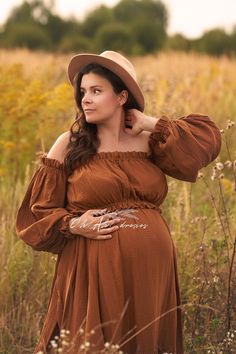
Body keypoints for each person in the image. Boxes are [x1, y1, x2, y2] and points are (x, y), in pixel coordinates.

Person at [16, 50, 221, 354]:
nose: (86, 99)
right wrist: (73, 224)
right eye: (83, 92)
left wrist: (151, 123)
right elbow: (37, 214)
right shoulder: (69, 144)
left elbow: (208, 140)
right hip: (93, 267)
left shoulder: (150, 141)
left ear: (122, 96)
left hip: (152, 268)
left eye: (96, 91)